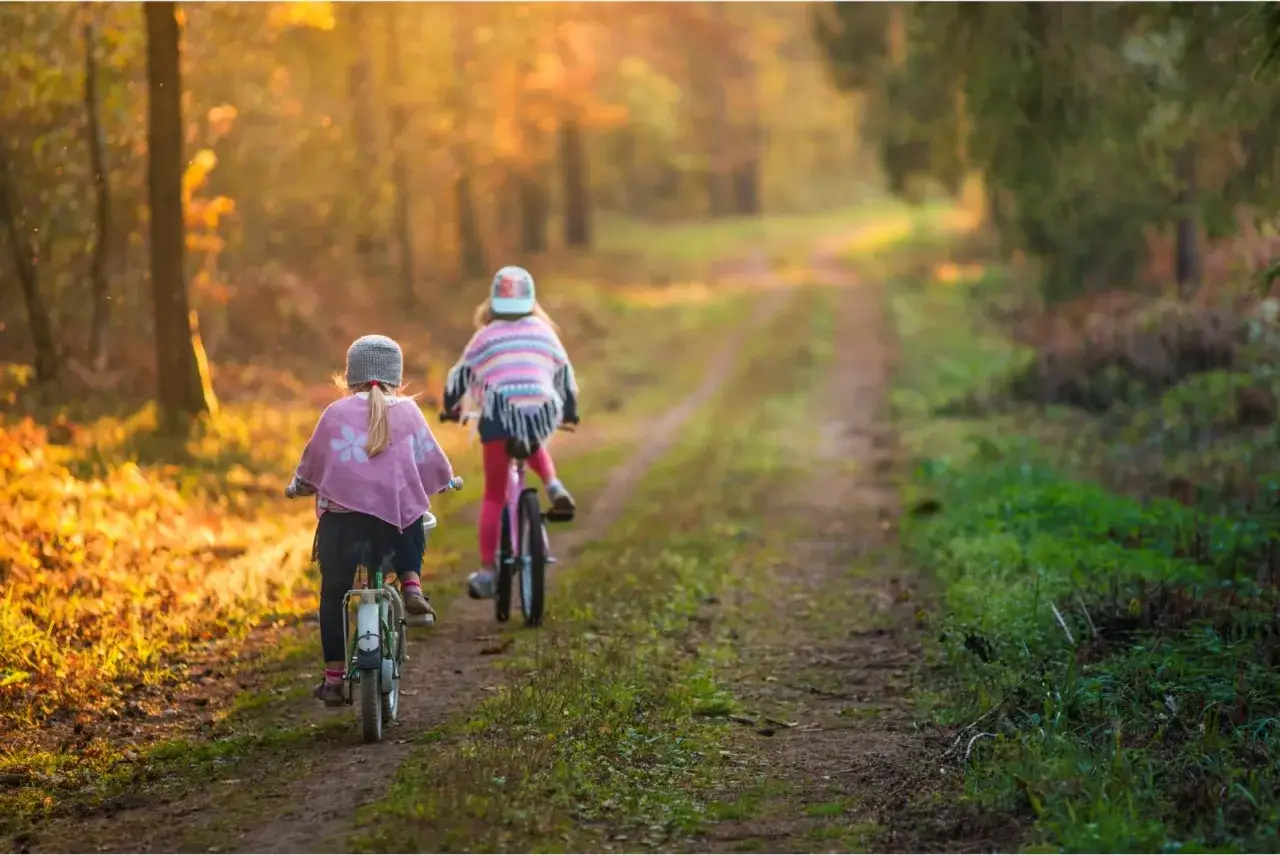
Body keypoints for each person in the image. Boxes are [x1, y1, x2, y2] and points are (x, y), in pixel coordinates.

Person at [288, 334, 455, 706]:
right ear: (396, 376)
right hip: (392, 533)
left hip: (343, 530)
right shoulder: (409, 413)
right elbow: (431, 463)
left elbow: (313, 464)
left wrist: (298, 485)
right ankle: (411, 584)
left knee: (333, 595)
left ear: (350, 376)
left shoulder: (335, 414)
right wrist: (448, 481)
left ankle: (333, 679)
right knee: (410, 507)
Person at [443, 265, 580, 600]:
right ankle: (553, 485)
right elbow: (565, 375)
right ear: (531, 301)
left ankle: (489, 572)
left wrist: (451, 407)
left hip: (499, 412)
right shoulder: (545, 331)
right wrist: (570, 411)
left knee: (493, 494)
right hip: (543, 408)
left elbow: (459, 376)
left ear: (492, 304)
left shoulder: (485, 335)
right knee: (531, 429)